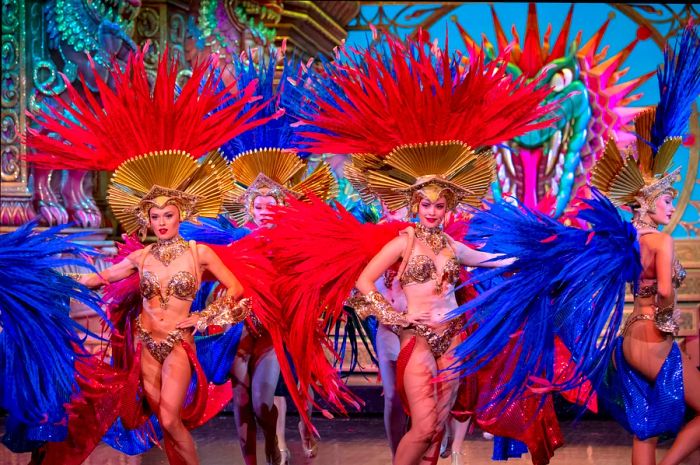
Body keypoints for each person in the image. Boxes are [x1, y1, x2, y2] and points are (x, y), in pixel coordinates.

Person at [257, 29, 558, 465]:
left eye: (439, 204)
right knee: (420, 422)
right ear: (414, 204)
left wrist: (536, 255)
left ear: (447, 206)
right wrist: (393, 316)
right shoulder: (402, 241)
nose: (432, 211)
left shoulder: (453, 245)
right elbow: (363, 280)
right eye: (425, 204)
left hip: (452, 338)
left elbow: (495, 260)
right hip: (414, 337)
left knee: (436, 427)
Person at [449, 22, 700, 465]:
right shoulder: (659, 240)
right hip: (655, 337)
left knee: (645, 429)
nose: (667, 204)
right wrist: (674, 319)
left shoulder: (625, 240)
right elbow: (662, 292)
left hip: (629, 340)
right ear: (646, 200)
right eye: (663, 196)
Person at [24, 44, 276, 465]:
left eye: (168, 215)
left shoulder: (199, 253)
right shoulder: (141, 257)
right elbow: (99, 278)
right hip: (144, 343)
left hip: (178, 344)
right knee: (159, 419)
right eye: (155, 216)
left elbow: (236, 291)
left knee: (172, 417)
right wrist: (51, 282)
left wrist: (205, 319)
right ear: (148, 219)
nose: (161, 222)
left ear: (182, 215)